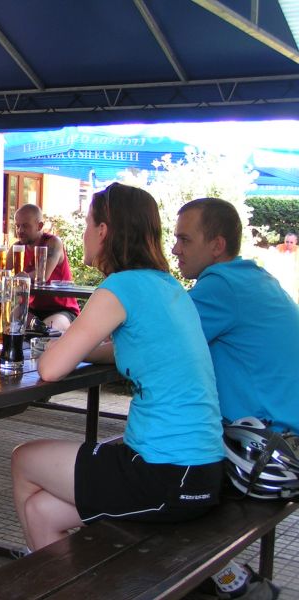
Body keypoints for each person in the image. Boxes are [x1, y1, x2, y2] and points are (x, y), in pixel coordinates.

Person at [11, 182, 225, 555]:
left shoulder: (119, 288)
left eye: (87, 224)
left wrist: (57, 347)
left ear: (103, 231)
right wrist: (85, 350)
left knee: (24, 459)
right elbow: (133, 349)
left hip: (164, 473)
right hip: (200, 469)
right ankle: (58, 577)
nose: (83, 233)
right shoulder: (166, 285)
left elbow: (50, 369)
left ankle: (40, 573)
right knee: (41, 510)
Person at [173, 197, 299, 599]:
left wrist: (79, 347)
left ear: (217, 245)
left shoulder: (221, 286)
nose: (175, 248)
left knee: (147, 476)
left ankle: (234, 583)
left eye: (184, 239)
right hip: (283, 445)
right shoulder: (254, 278)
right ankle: (232, 581)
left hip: (265, 455)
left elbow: (159, 344)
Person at [13, 203, 79, 332]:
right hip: (32, 309)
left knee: (46, 331)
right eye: (17, 226)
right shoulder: (16, 249)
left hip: (62, 310)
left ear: (40, 226)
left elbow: (42, 275)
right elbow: (6, 278)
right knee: (9, 322)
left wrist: (19, 278)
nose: (20, 230)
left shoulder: (53, 242)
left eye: (25, 226)